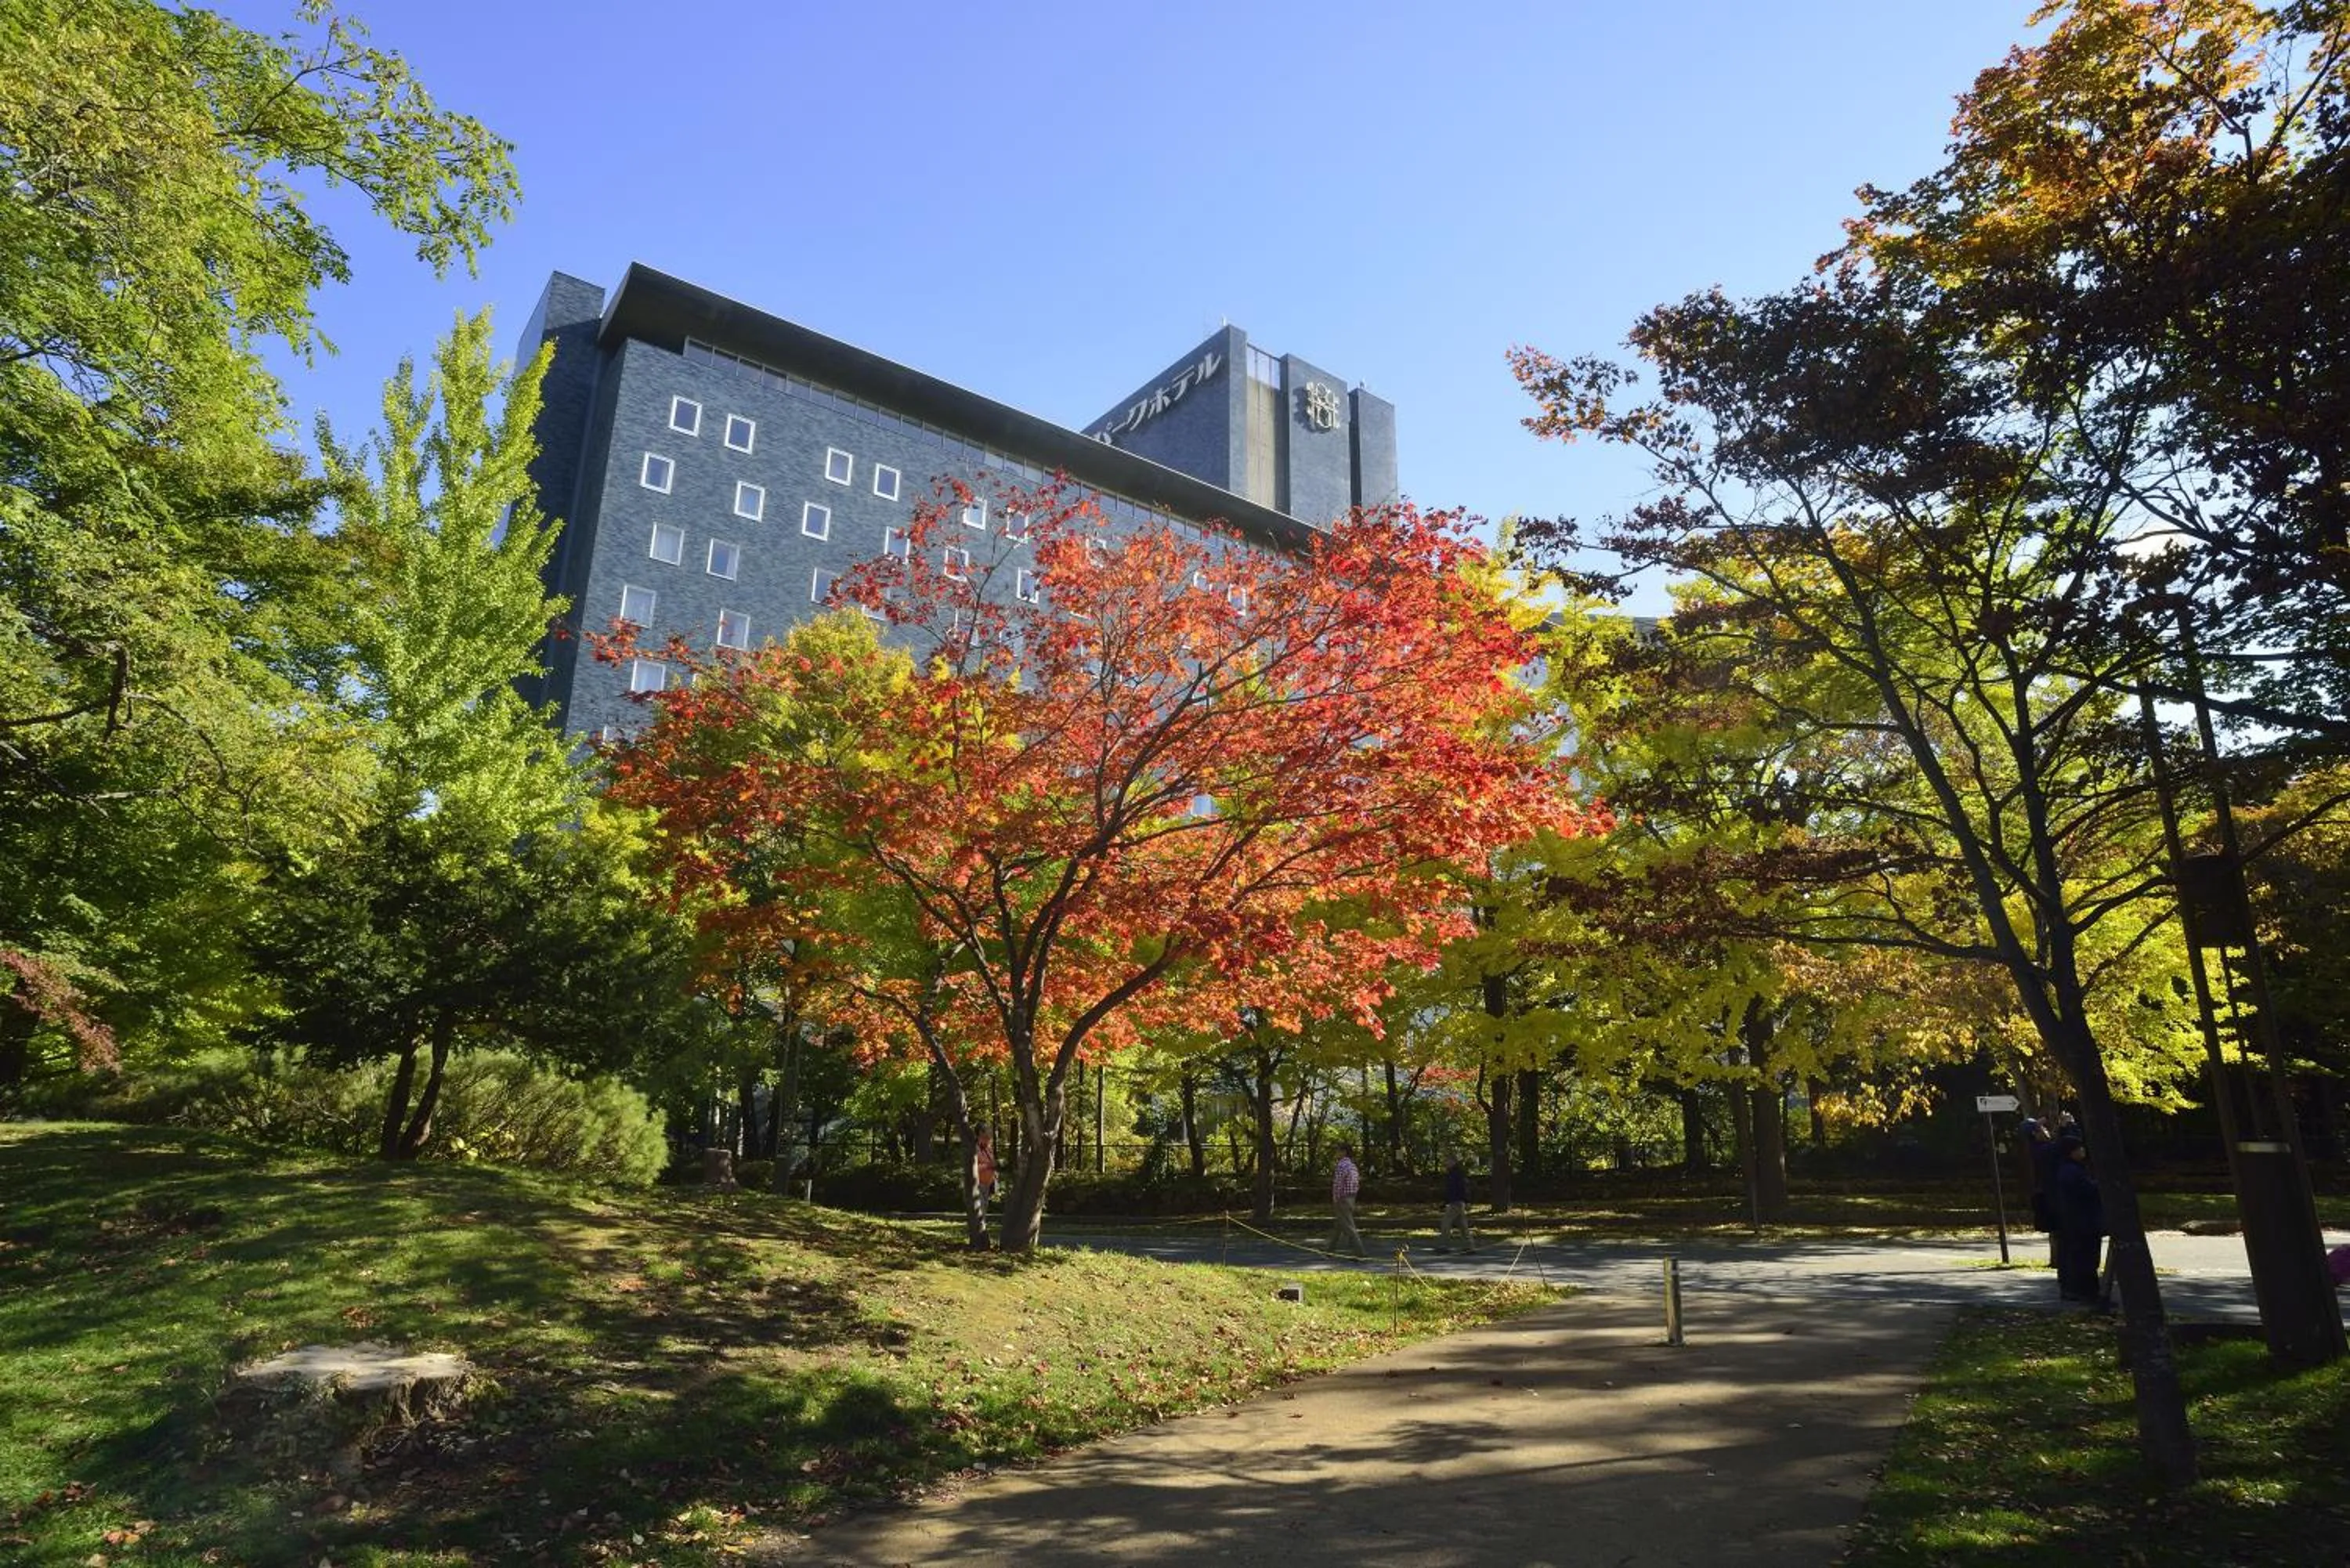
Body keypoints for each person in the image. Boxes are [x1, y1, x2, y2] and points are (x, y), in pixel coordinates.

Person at [2052, 1133, 2108, 1307]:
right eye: (2079, 1148)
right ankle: (2087, 1292)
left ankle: (2083, 1291)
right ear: (2071, 1152)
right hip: (2082, 1221)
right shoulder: (2072, 1171)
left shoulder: (2070, 1169)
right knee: (2086, 1258)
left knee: (2083, 1257)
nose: (2083, 1150)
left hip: (2078, 1220)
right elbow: (2087, 1191)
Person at [2020, 1117, 2061, 1267]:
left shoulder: (2041, 1149)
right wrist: (2066, 1128)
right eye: (2041, 1129)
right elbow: (2061, 1148)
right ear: (2035, 1134)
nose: (2046, 1130)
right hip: (2053, 1200)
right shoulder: (2042, 1151)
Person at [1329, 1143, 1367, 1258]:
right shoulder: (1352, 1166)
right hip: (1351, 1197)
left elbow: (1338, 1184)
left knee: (1349, 1227)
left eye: (1338, 1150)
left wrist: (1335, 1198)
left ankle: (1360, 1253)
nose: (1336, 1153)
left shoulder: (1341, 1165)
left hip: (1342, 1198)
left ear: (1344, 1152)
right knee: (1339, 1225)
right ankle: (1330, 1251)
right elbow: (1356, 1183)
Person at [1437, 1154, 1476, 1254]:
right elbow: (1450, 1190)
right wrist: (1445, 1202)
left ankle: (1444, 1245)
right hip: (1456, 1202)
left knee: (1446, 1223)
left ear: (1453, 1161)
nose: (1445, 1163)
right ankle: (1469, 1246)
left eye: (1447, 1161)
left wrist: (1467, 1201)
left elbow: (1463, 1188)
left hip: (1457, 1202)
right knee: (1463, 1226)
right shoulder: (1451, 1173)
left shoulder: (1458, 1173)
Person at [973, 1129, 997, 1209]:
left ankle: (982, 1220)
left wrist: (995, 1173)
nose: (988, 1140)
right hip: (978, 1183)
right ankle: (979, 1220)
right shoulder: (975, 1150)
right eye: (985, 1138)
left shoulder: (989, 1149)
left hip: (988, 1184)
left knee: (985, 1205)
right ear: (979, 1137)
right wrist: (988, 1165)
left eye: (989, 1138)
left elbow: (992, 1163)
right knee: (980, 1206)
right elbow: (973, 1167)